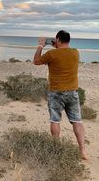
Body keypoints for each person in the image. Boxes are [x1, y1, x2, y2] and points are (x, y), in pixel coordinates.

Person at [33, 30, 87, 160]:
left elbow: (36, 61)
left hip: (56, 92)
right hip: (72, 92)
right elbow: (62, 54)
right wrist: (56, 46)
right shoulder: (75, 52)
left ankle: (56, 147)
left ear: (57, 39)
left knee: (55, 120)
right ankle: (82, 151)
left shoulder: (52, 54)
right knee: (77, 122)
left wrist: (40, 45)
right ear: (69, 40)